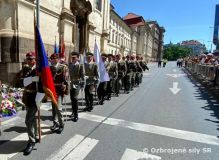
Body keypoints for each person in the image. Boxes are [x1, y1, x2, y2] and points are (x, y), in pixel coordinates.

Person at [19, 52, 43, 155]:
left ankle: (31, 141)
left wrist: (39, 98)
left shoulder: (39, 70)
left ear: (35, 60)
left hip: (35, 97)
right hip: (27, 97)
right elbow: (19, 82)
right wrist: (31, 79)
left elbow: (43, 85)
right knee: (32, 119)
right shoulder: (25, 69)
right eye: (27, 59)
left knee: (28, 121)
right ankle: (36, 135)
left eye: (31, 59)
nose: (29, 61)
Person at [50, 53, 67, 131]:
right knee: (53, 108)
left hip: (59, 90)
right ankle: (55, 123)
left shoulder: (63, 67)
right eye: (52, 59)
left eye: (54, 58)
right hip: (52, 90)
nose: (53, 60)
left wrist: (65, 88)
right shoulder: (49, 68)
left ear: (58, 59)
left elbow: (66, 80)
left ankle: (61, 124)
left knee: (58, 108)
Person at [68, 52, 85, 121]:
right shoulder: (70, 65)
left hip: (77, 83)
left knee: (75, 98)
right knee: (72, 99)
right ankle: (73, 111)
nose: (73, 59)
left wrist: (82, 84)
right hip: (70, 84)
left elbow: (82, 75)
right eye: (72, 58)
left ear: (77, 58)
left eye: (74, 58)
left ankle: (76, 114)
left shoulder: (80, 65)